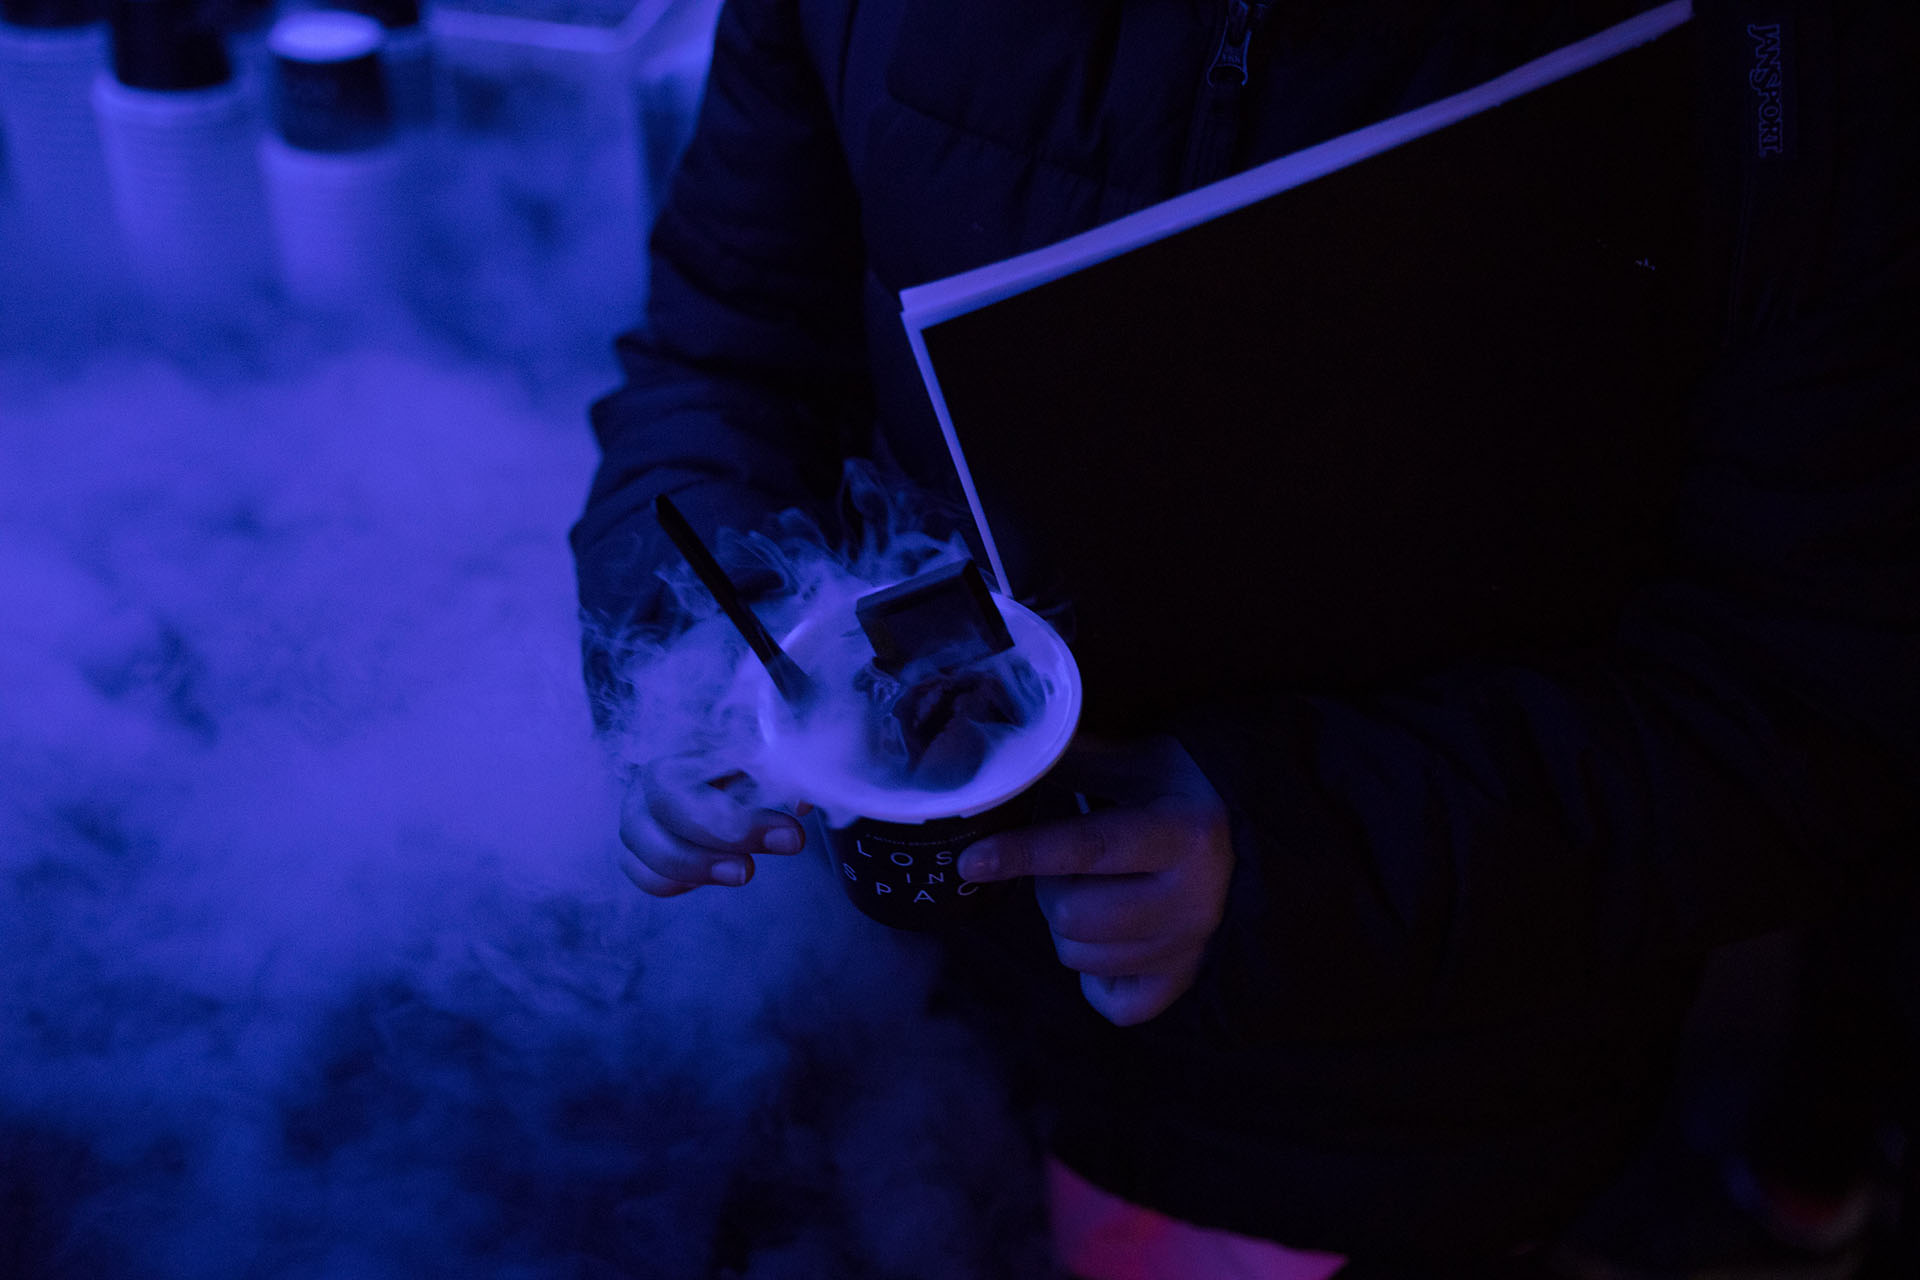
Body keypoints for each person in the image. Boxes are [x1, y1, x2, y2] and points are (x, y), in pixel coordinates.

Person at [570, 0, 1919, 1274]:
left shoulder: (1780, 67)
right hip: (920, 988)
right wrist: (685, 660)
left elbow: (1813, 693)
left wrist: (1283, 846)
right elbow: (729, 344)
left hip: (1385, 1089)